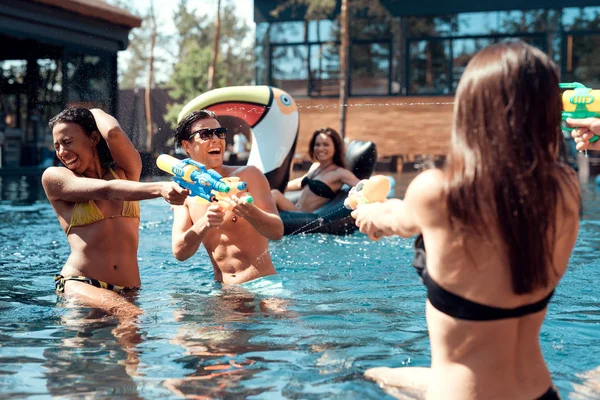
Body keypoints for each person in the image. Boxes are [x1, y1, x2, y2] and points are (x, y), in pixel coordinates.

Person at [353, 41, 580, 399]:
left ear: (472, 110)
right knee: (378, 374)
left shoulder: (440, 193)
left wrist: (366, 211)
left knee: (359, 373)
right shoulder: (566, 192)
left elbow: (393, 216)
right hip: (540, 392)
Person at [42, 107, 189, 315]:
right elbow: (107, 190)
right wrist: (160, 188)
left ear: (93, 138)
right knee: (130, 317)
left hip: (129, 291)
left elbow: (113, 133)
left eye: (67, 142)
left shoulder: (125, 171)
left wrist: (92, 111)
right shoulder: (55, 178)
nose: (61, 152)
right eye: (56, 146)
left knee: (128, 338)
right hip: (81, 284)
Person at [171, 109, 284, 286]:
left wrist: (249, 212)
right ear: (187, 146)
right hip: (222, 291)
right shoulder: (184, 192)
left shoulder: (249, 175)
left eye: (219, 133)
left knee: (286, 314)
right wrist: (204, 224)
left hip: (262, 284)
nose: (215, 139)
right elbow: (179, 252)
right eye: (205, 134)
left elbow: (277, 231)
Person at [270, 127, 360, 212]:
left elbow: (362, 185)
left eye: (326, 145)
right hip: (294, 209)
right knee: (271, 192)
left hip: (303, 217)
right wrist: (271, 186)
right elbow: (299, 183)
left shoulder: (340, 173)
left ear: (335, 148)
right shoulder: (315, 166)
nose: (320, 148)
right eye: (317, 144)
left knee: (275, 194)